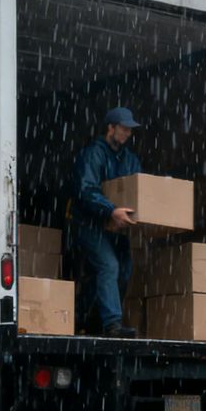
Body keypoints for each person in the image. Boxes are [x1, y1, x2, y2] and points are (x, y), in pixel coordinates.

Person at [69, 106, 143, 338]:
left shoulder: (130, 159)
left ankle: (85, 320)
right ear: (110, 128)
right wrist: (111, 211)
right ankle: (112, 325)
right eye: (124, 129)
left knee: (123, 269)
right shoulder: (93, 154)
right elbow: (85, 190)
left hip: (115, 227)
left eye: (130, 130)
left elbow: (138, 188)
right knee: (108, 266)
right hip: (88, 224)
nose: (128, 134)